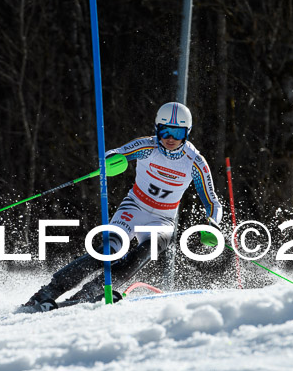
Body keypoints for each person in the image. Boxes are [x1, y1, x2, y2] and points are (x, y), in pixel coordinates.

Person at [22, 102, 223, 312]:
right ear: (157, 129)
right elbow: (115, 153)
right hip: (134, 207)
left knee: (145, 252)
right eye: (165, 130)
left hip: (163, 219)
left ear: (187, 133)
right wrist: (111, 161)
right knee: (109, 250)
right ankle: (49, 291)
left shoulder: (195, 162)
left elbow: (212, 201)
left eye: (177, 132)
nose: (170, 138)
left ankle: (89, 293)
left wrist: (212, 224)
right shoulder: (147, 147)